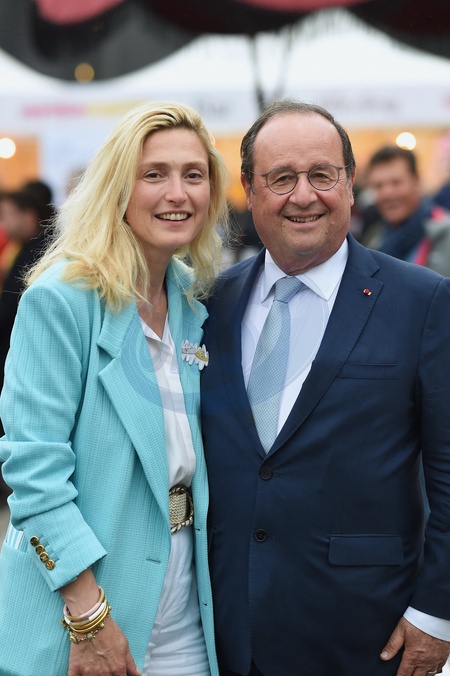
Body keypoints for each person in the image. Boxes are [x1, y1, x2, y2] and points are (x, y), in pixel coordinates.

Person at [200, 99, 450, 675]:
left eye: (322, 175)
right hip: (227, 632)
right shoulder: (210, 304)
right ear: (249, 189)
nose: (304, 195)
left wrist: (436, 612)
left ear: (350, 182)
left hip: (367, 633)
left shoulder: (422, 301)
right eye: (281, 178)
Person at [0, 100, 229, 676]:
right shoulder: (61, 299)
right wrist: (89, 617)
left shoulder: (192, 300)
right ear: (117, 188)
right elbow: (34, 471)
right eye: (154, 174)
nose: (177, 193)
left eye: (194, 175)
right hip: (84, 615)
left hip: (186, 618)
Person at [360, 145, 450, 276]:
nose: (387, 194)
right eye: (378, 186)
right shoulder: (374, 237)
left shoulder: (444, 233)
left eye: (396, 183)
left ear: (417, 182)